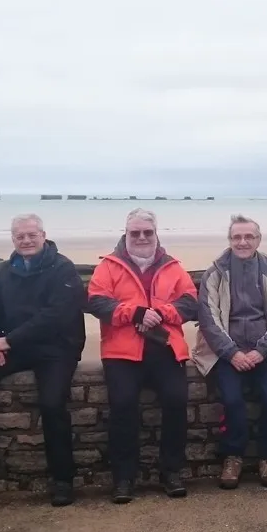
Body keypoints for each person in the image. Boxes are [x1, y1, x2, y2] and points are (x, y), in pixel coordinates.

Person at [0, 214, 87, 506]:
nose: (26, 240)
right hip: (17, 347)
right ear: (13, 239)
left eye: (32, 235)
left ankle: (63, 479)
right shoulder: (6, 271)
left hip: (57, 348)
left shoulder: (63, 268)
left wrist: (9, 341)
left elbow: (55, 316)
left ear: (43, 235)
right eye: (20, 236)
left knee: (52, 404)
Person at [88, 208, 198, 503]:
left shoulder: (173, 267)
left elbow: (190, 302)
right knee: (123, 405)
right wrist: (135, 313)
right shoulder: (108, 267)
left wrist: (161, 313)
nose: (141, 237)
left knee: (176, 401)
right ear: (126, 234)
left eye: (147, 232)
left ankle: (171, 471)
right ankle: (124, 477)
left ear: (156, 234)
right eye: (135, 232)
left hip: (166, 347)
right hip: (121, 351)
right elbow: (97, 303)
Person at [193, 215, 267, 489]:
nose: (242, 242)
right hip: (226, 353)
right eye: (237, 237)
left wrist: (261, 352)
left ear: (258, 239)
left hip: (265, 351)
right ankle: (232, 457)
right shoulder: (214, 274)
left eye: (248, 237)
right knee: (232, 401)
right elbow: (208, 319)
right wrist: (232, 353)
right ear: (230, 240)